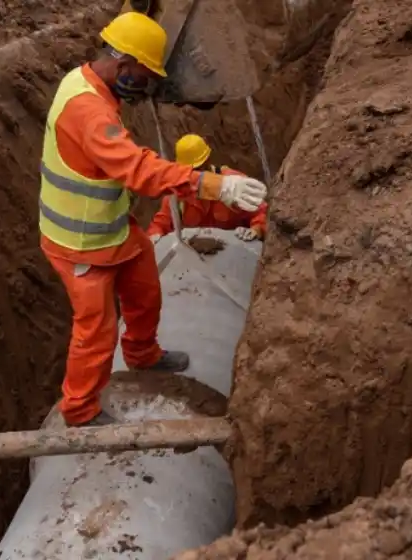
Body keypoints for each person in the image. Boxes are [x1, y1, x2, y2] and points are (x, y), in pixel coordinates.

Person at [38, 12, 267, 427]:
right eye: (144, 75)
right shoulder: (89, 112)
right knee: (95, 331)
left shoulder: (88, 83)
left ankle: (143, 355)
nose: (145, 85)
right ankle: (79, 412)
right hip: (80, 243)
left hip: (111, 230)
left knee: (145, 288)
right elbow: (140, 171)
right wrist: (212, 186)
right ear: (123, 63)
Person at [147, 134, 268, 242]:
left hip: (235, 254)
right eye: (190, 171)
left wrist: (257, 229)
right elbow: (160, 224)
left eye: (199, 168)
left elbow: (262, 212)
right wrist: (154, 237)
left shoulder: (234, 184)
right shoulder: (175, 196)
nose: (196, 175)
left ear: (208, 160)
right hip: (196, 260)